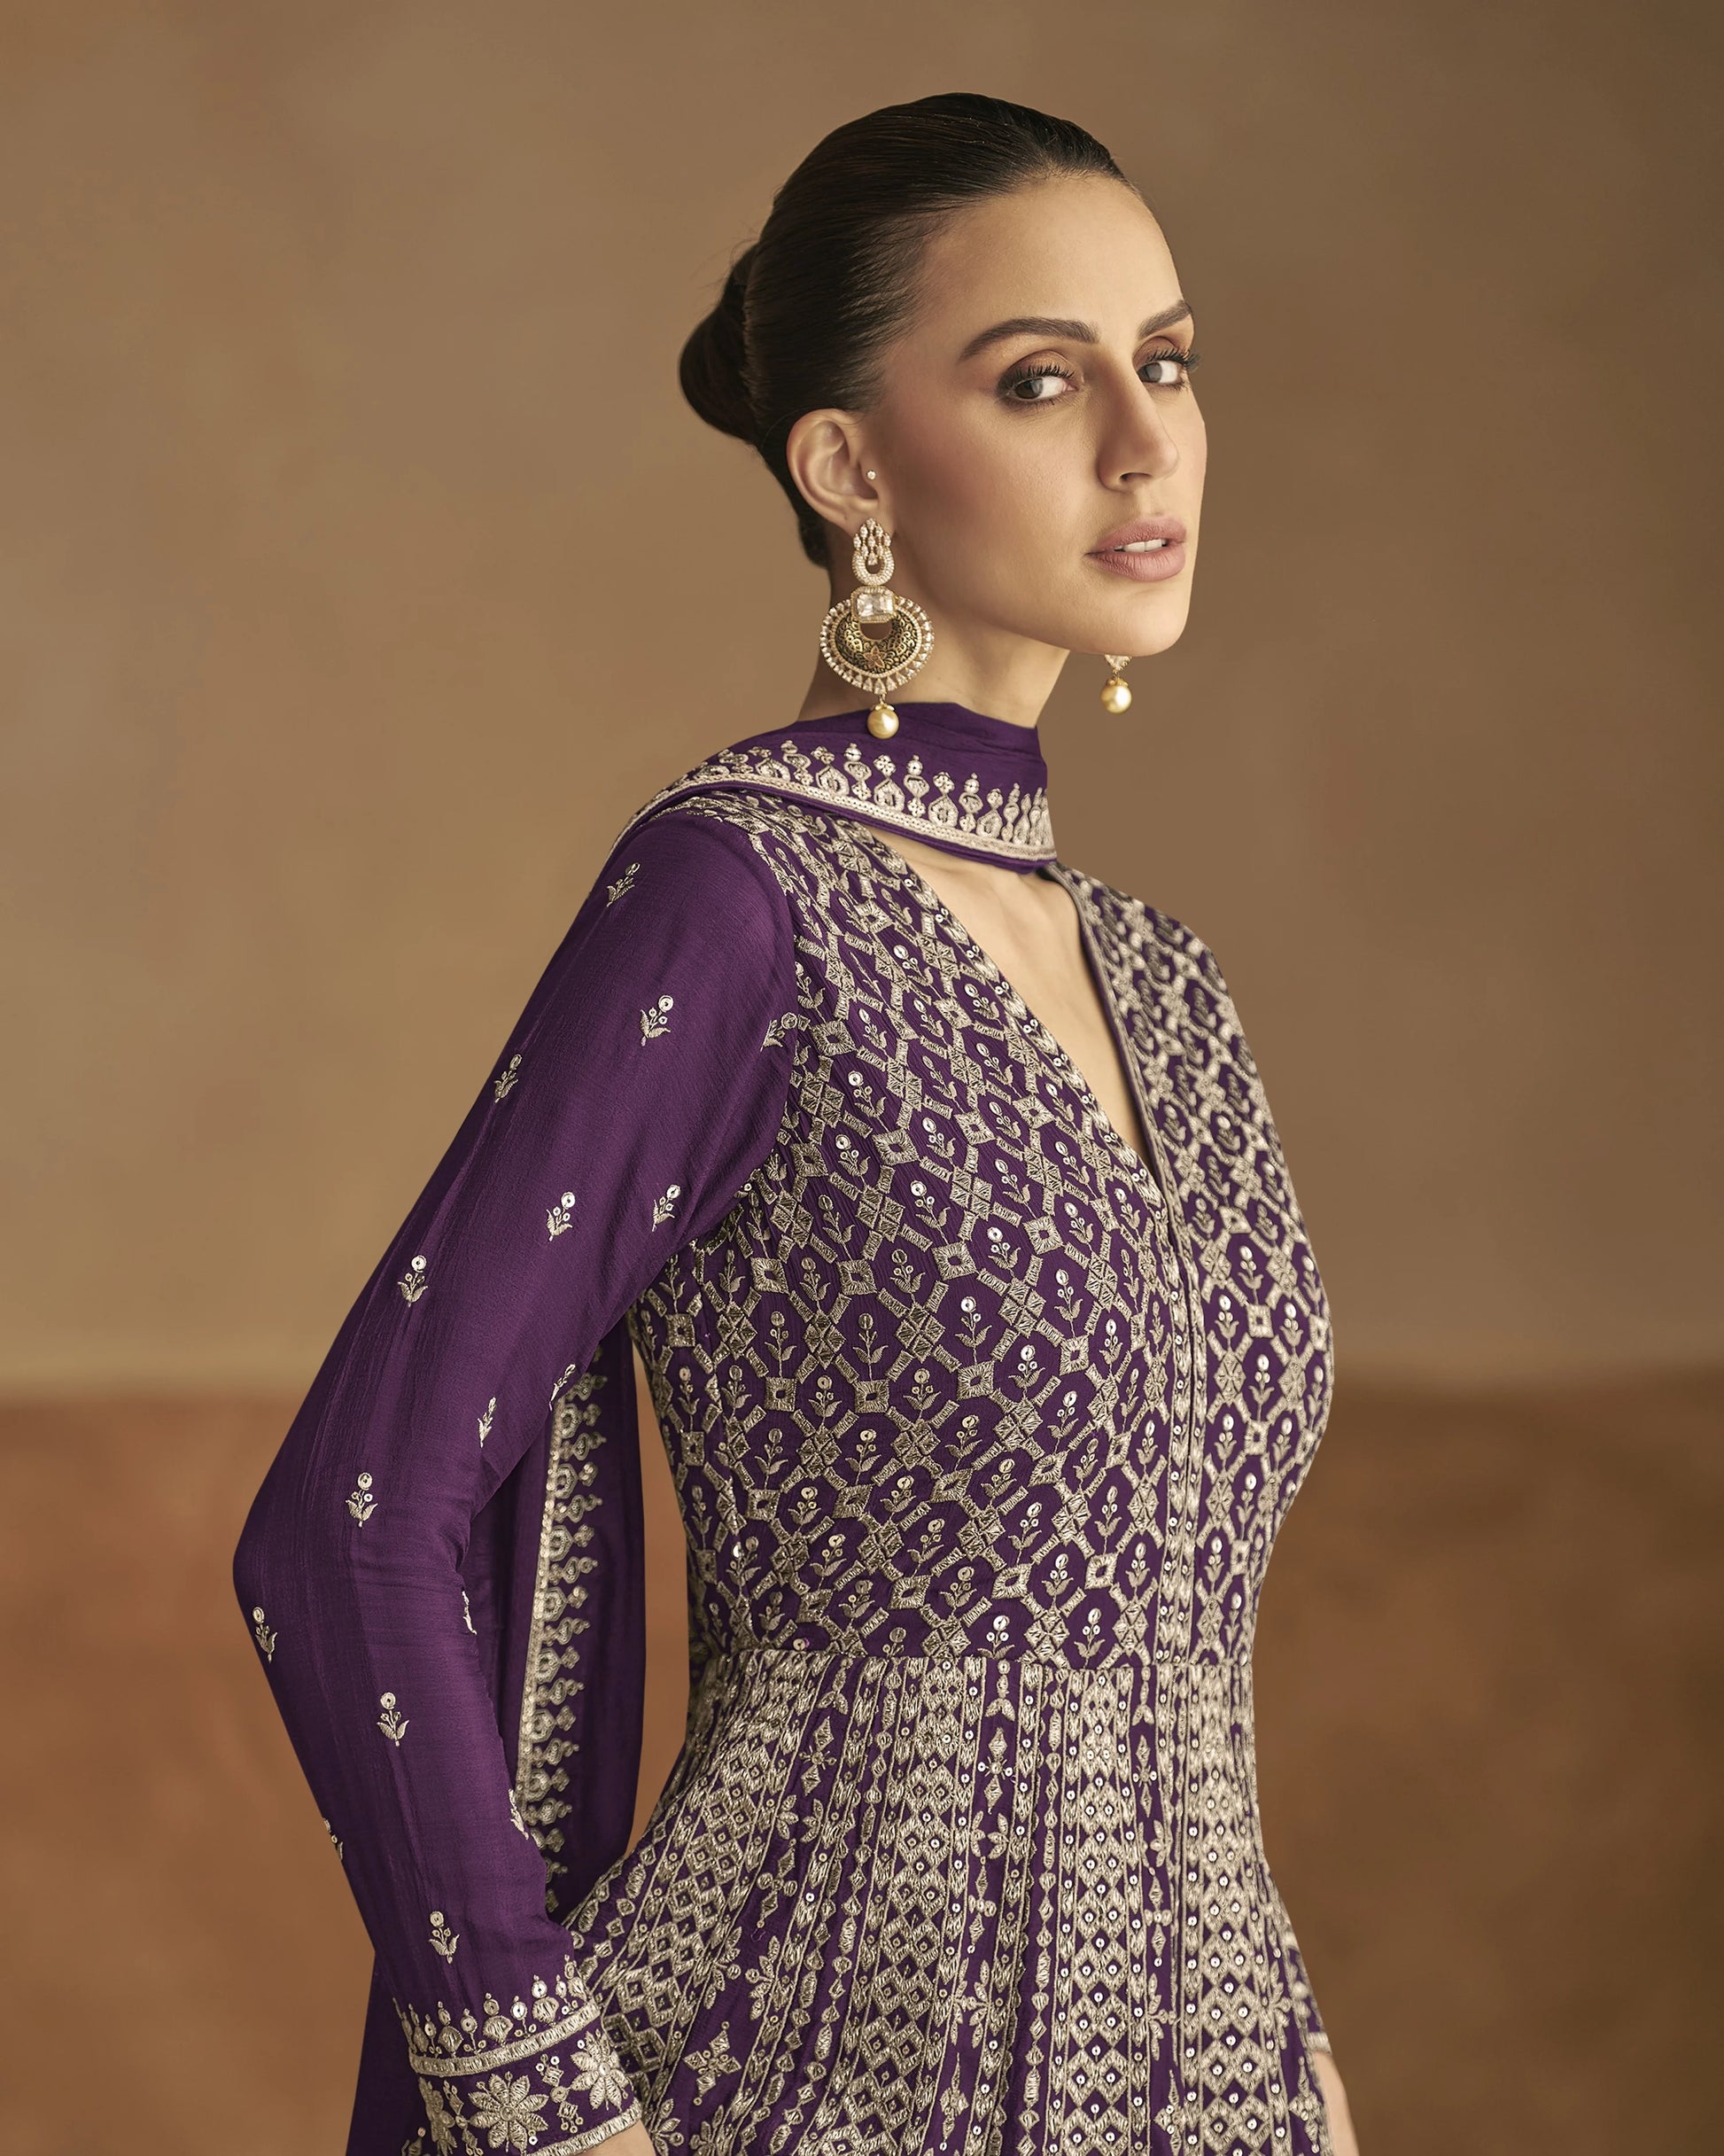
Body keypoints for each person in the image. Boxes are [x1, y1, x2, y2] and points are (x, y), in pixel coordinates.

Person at [234, 90, 1361, 2156]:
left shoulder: (1170, 987)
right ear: (846, 466)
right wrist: (546, 2108)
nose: (1147, 440)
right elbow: (351, 1514)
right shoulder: (738, 901)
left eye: (1169, 361)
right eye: (1043, 379)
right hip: (811, 2067)